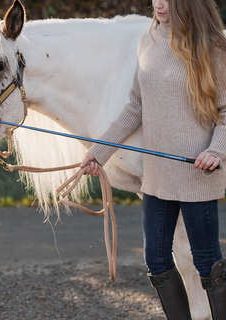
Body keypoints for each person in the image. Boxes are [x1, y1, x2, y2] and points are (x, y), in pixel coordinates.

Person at [80, 0, 226, 319]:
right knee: (157, 262)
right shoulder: (148, 41)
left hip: (196, 177)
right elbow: (135, 107)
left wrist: (216, 151)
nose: (158, 4)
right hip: (157, 178)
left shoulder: (212, 46)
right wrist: (98, 153)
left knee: (207, 263)